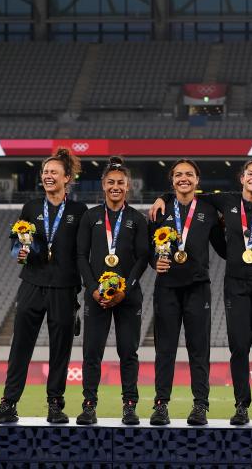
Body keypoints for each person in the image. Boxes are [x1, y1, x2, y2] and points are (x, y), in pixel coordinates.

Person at [150, 156, 252, 426]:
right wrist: (163, 197)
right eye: (250, 173)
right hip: (234, 281)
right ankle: (241, 406)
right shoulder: (224, 201)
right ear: (241, 178)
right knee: (239, 348)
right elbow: (185, 190)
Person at [0, 148, 86, 424]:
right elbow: (17, 241)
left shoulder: (79, 211)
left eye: (54, 172)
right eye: (45, 172)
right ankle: (8, 403)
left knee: (60, 349)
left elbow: (83, 252)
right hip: (31, 283)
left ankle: (55, 404)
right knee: (20, 346)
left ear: (67, 178)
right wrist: (18, 251)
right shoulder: (30, 207)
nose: (48, 176)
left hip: (64, 288)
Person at [147, 158, 226, 426]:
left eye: (189, 174)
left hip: (198, 287)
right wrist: (152, 261)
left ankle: (200, 405)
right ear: (172, 180)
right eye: (179, 174)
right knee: (165, 350)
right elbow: (148, 249)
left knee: (198, 350)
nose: (184, 178)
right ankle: (161, 405)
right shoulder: (160, 210)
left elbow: (223, 249)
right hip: (166, 288)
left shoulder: (208, 209)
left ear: (197, 180)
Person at [76, 156, 150, 425]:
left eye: (120, 182)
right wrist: (93, 289)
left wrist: (125, 290)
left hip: (128, 298)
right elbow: (81, 256)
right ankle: (89, 405)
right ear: (103, 185)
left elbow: (143, 258)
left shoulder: (137, 219)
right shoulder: (91, 216)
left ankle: (129, 405)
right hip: (96, 298)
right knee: (91, 353)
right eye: (111, 182)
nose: (115, 186)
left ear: (128, 186)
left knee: (128, 352)